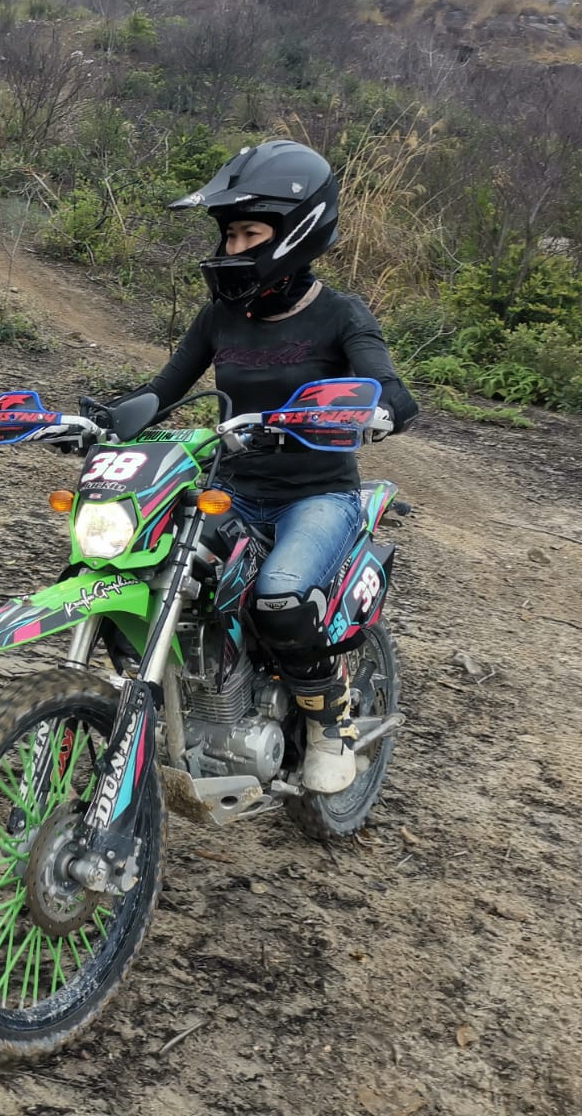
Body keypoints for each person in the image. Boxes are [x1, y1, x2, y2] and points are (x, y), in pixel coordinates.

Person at [112, 139, 418, 794]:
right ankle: (197, 700)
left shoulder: (341, 316)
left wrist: (376, 412)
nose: (231, 248)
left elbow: (389, 389)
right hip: (232, 492)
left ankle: (329, 721)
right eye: (228, 234)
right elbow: (163, 389)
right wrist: (102, 422)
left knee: (279, 598)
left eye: (248, 232)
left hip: (316, 497)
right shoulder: (220, 316)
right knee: (155, 566)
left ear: (297, 231)